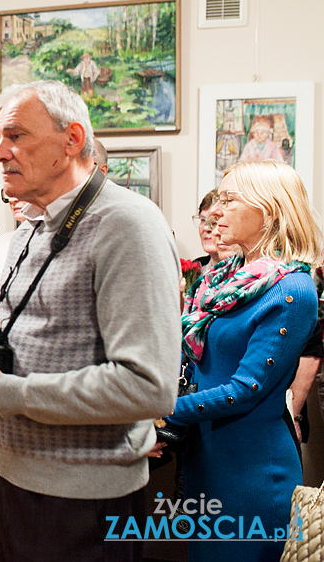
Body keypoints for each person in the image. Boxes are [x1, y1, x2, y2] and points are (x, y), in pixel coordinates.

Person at [0, 80, 180, 562]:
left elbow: (148, 386)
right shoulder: (38, 224)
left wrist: (4, 390)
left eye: (15, 136)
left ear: (71, 140)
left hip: (83, 499)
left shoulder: (127, 224)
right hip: (12, 479)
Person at [167, 160, 321, 561]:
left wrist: (161, 411)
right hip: (207, 458)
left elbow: (243, 391)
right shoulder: (225, 279)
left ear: (269, 210)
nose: (216, 210)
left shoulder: (292, 290)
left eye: (229, 199)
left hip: (251, 473)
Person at [192, 189, 220, 272]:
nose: (206, 228)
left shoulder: (245, 273)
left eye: (214, 222)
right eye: (203, 220)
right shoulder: (196, 268)